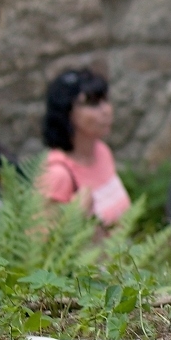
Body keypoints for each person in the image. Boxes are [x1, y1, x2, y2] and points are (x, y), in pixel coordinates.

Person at [38, 68, 131, 226]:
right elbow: (42, 244)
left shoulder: (101, 150)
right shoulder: (57, 174)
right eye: (93, 103)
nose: (106, 110)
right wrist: (75, 217)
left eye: (105, 100)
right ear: (67, 112)